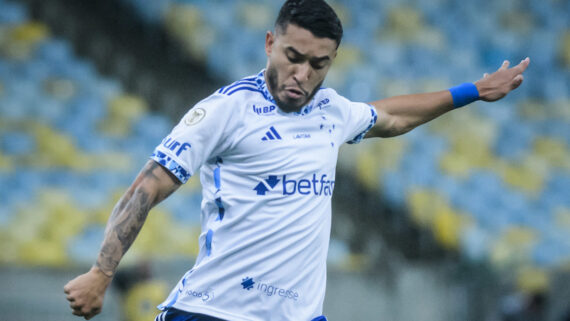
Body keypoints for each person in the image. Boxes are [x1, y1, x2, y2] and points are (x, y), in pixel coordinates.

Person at [64, 0, 530, 320]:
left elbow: (391, 116)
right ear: (270, 43)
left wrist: (473, 92)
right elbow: (147, 186)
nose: (303, 75)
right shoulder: (226, 111)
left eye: (319, 64)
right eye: (294, 56)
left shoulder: (332, 111)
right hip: (214, 311)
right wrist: (102, 273)